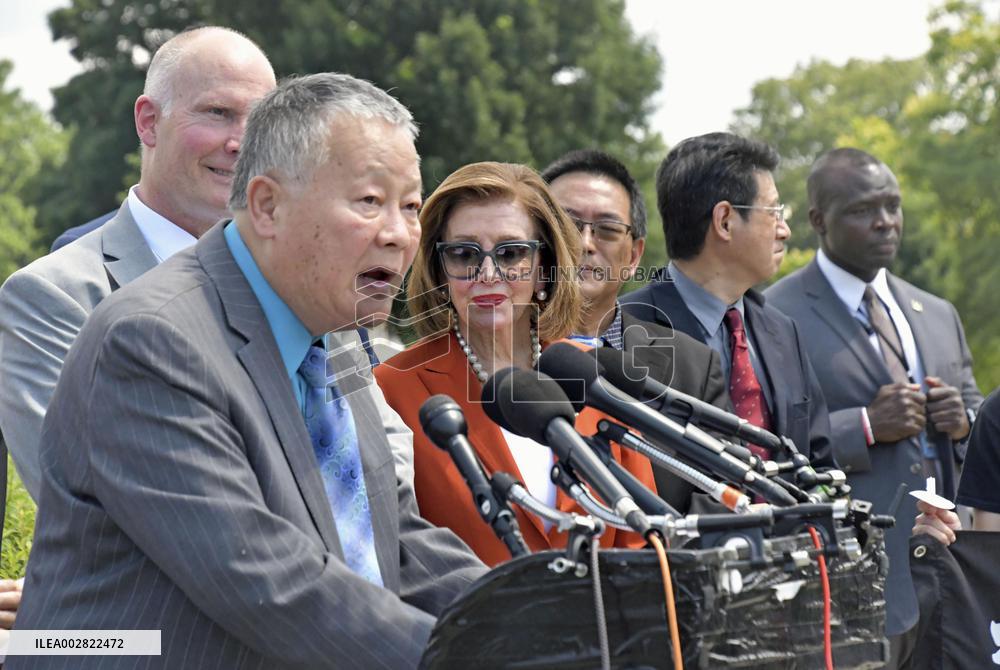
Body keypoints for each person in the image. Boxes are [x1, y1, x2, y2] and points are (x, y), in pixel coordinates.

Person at [10, 73, 486, 669]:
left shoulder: (334, 336)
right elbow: (264, 578)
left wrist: (543, 622)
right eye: (369, 202)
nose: (398, 234)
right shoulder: (152, 341)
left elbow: (394, 537)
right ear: (267, 205)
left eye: (411, 207)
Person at [0, 26, 277, 501]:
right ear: (149, 122)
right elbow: (87, 500)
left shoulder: (297, 287)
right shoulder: (50, 299)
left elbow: (373, 460)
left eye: (260, 123)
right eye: (218, 113)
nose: (240, 143)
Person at [374, 161, 656, 566]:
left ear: (544, 269)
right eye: (464, 254)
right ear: (440, 271)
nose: (488, 273)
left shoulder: (594, 375)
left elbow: (644, 548)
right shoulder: (391, 389)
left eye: (510, 253)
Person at [765, 147, 984, 666]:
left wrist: (963, 423)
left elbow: (978, 413)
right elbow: (766, 441)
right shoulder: (775, 314)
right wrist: (863, 425)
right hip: (849, 582)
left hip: (951, 575)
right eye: (863, 210)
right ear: (819, 220)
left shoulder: (937, 312)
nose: (885, 221)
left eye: (892, 205)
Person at [621, 132, 836, 476]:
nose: (784, 230)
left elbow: (818, 463)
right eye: (774, 212)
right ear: (724, 221)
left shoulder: (782, 332)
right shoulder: (623, 332)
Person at [541, 149, 729, 512]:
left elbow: (719, 497)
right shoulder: (496, 353)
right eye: (565, 224)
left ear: (633, 257)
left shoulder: (694, 369)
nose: (584, 244)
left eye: (608, 230)